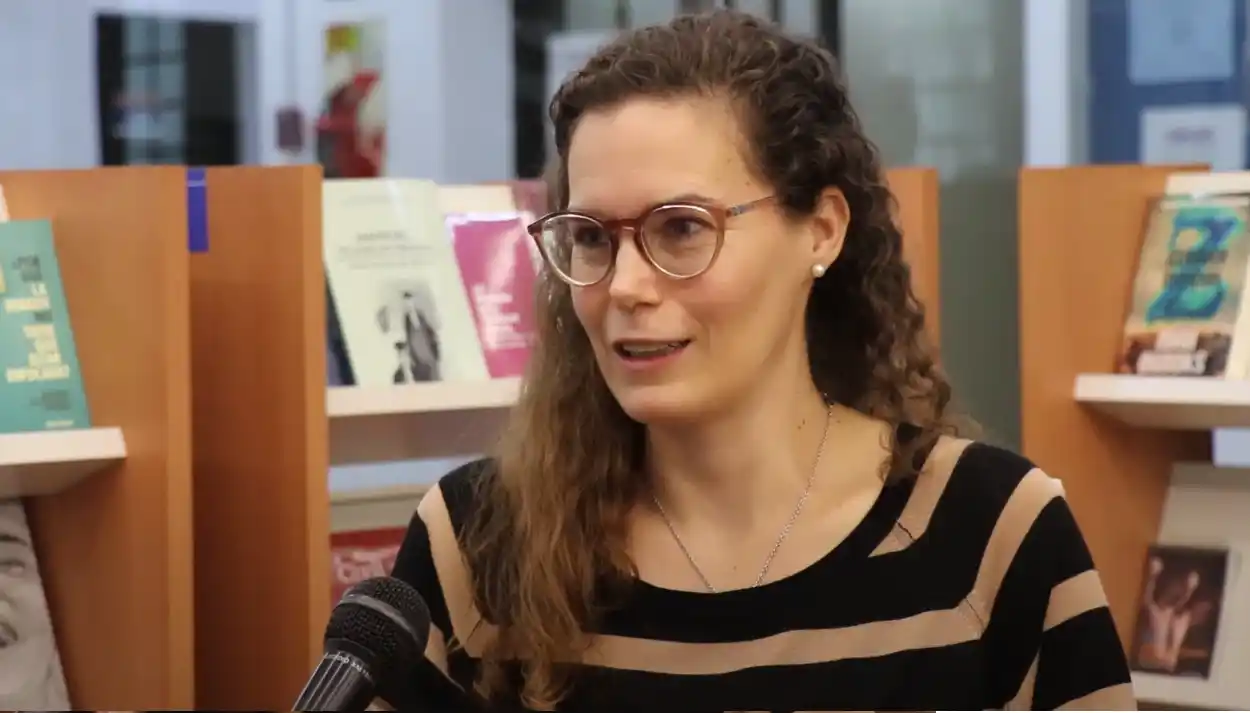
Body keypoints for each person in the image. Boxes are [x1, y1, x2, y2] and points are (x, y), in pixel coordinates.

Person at [388, 10, 1134, 711]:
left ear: (822, 230)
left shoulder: (993, 537)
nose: (626, 285)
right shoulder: (478, 547)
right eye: (591, 237)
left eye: (681, 228)